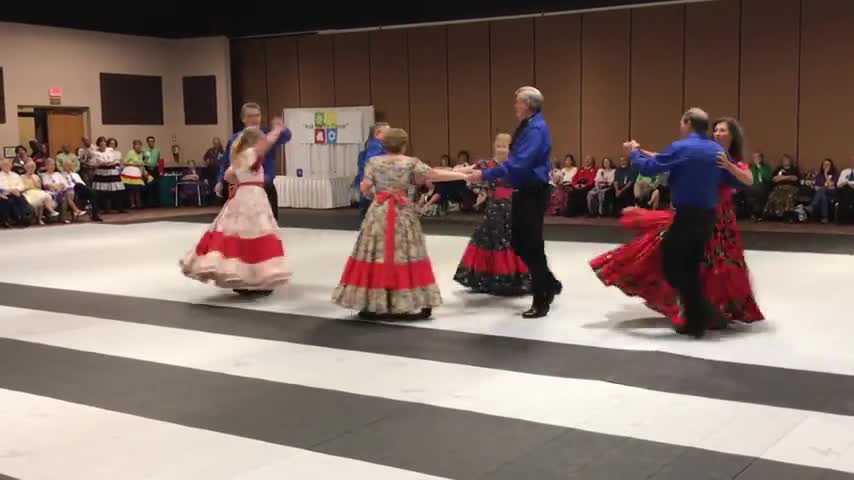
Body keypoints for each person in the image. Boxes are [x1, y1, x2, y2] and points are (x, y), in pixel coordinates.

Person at [591, 116, 763, 333]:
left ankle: (707, 310)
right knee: (682, 260)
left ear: (732, 135)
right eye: (716, 129)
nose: (718, 133)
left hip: (719, 220)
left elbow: (748, 178)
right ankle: (697, 310)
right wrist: (641, 152)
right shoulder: (705, 152)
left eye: (723, 131)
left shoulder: (725, 157)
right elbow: (667, 158)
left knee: (712, 266)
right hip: (698, 214)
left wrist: (729, 166)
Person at [332, 128, 469, 319]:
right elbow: (433, 174)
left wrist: (376, 196)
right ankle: (417, 301)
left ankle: (372, 302)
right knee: (407, 253)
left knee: (376, 254)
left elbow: (364, 187)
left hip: (378, 212)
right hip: (402, 212)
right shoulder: (410, 163)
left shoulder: (374, 162)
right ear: (404, 145)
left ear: (384, 144)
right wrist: (464, 175)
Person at [467, 86, 561, 318]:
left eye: (517, 102)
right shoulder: (529, 125)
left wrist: (485, 175)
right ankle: (548, 283)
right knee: (521, 242)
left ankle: (542, 297)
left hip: (532, 191)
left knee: (531, 244)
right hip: (524, 190)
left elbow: (520, 164)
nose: (515, 106)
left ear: (528, 104)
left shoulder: (536, 129)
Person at [181, 121, 291, 295]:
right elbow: (265, 146)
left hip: (241, 196)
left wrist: (241, 181)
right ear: (254, 141)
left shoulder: (238, 156)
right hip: (253, 198)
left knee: (237, 237)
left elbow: (228, 175)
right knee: (256, 235)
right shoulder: (250, 153)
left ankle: (243, 278)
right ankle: (254, 278)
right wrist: (276, 131)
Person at [454, 133, 531, 296]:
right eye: (499, 145)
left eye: (505, 146)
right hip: (495, 207)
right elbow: (466, 174)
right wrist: (481, 188)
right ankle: (486, 278)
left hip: (513, 206)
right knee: (489, 239)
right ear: (494, 146)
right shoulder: (486, 164)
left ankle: (513, 278)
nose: (501, 149)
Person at [216, 102, 292, 221]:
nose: (255, 119)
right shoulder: (236, 139)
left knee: (268, 222)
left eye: (257, 115)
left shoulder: (266, 134)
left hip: (265, 185)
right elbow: (226, 162)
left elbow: (286, 136)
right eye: (251, 116)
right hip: (241, 187)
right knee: (241, 222)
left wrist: (281, 127)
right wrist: (221, 181)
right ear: (243, 118)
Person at [356, 123, 389, 219]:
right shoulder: (375, 145)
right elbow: (372, 164)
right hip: (376, 184)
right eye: (387, 132)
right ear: (377, 134)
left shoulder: (380, 145)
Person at [89, 136, 126, 214]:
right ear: (98, 145)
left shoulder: (110, 150)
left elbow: (116, 160)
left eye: (104, 143)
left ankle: (120, 208)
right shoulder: (95, 153)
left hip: (111, 171)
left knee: (117, 190)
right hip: (101, 172)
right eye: (101, 144)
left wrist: (113, 162)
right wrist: (99, 164)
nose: (103, 145)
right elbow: (92, 164)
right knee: (104, 191)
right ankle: (106, 209)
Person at [121, 140, 151, 209]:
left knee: (138, 189)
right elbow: (125, 162)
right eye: (136, 144)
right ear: (133, 146)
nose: (138, 146)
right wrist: (135, 164)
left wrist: (145, 156)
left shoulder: (141, 154)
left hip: (138, 173)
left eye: (139, 145)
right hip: (131, 172)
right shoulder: (130, 152)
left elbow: (143, 163)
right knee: (131, 189)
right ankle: (132, 204)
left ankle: (138, 204)